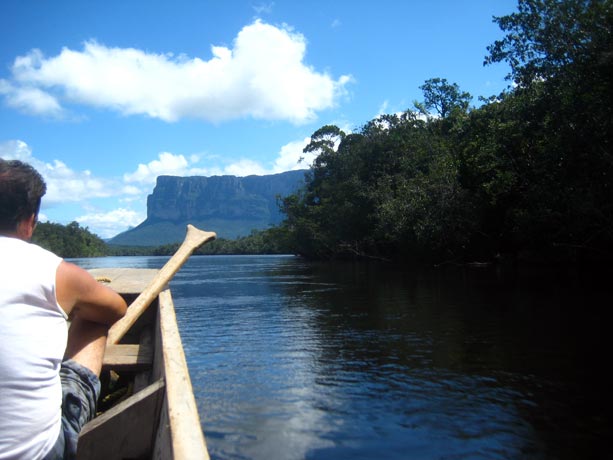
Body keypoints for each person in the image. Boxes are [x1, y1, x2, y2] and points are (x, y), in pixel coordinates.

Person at [0, 159, 128, 459]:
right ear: (30, 220)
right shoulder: (55, 271)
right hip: (39, 453)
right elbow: (116, 309)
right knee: (96, 319)